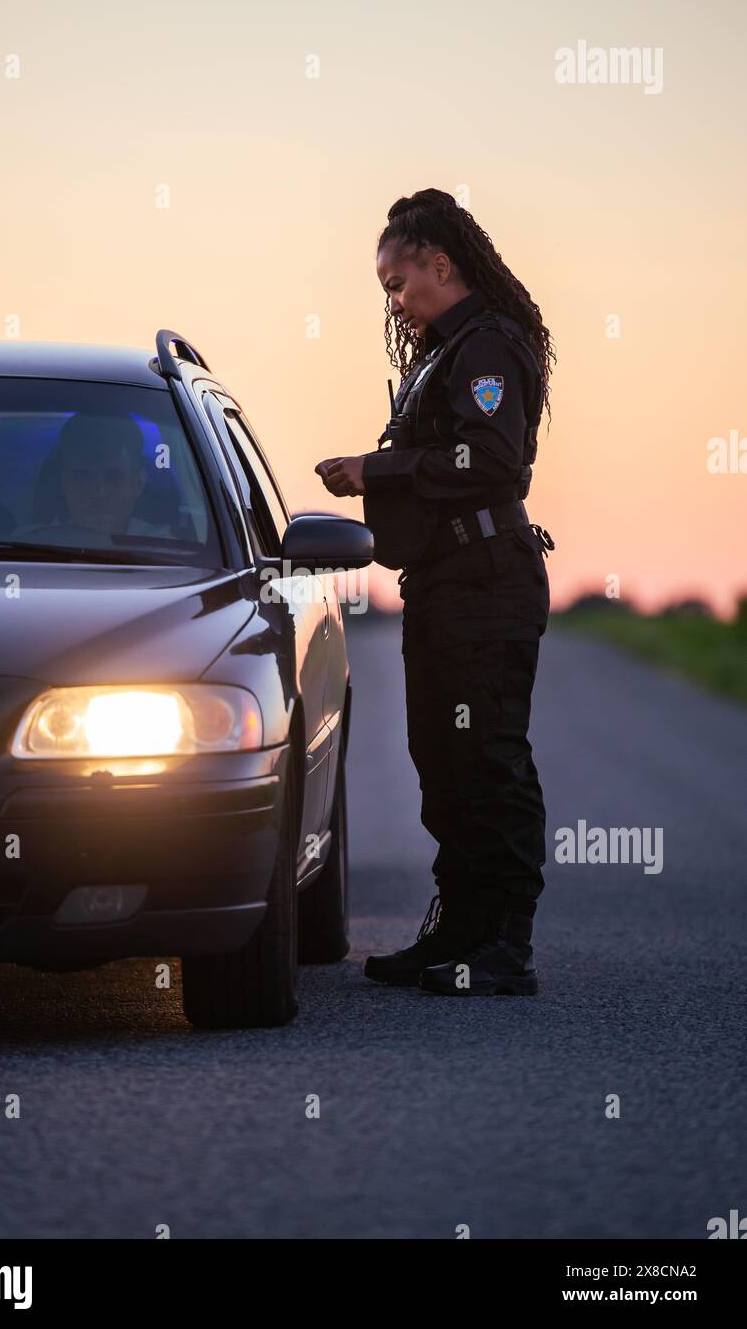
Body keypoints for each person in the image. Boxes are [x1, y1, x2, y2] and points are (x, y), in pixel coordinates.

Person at [314, 188, 556, 997]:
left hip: (486, 581)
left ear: (440, 264)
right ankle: (458, 930)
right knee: (441, 759)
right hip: (446, 584)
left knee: (488, 758)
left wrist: (373, 468)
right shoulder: (444, 354)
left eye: (396, 282)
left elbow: (490, 462)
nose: (394, 299)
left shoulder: (488, 348)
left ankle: (504, 947)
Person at [10, 412, 174, 543]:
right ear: (63, 482)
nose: (98, 492)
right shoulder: (24, 547)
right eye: (81, 477)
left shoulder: (172, 552)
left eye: (113, 477)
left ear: (138, 483)